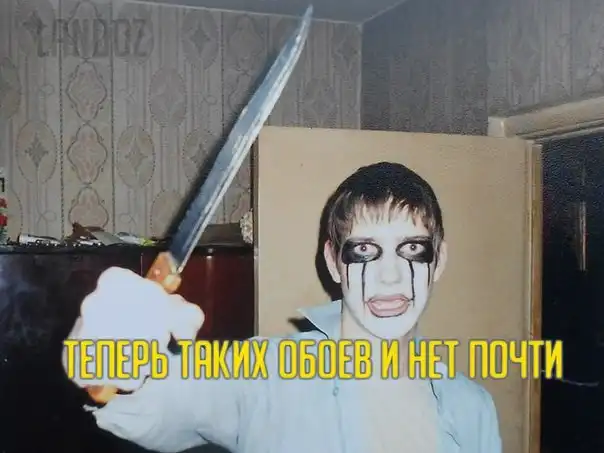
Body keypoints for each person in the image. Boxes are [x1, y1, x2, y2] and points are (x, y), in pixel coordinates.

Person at [64, 162, 502, 453]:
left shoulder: (473, 407)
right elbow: (158, 396)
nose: (389, 276)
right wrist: (108, 355)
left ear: (438, 261)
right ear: (334, 262)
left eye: (412, 249)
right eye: (364, 251)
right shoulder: (265, 375)